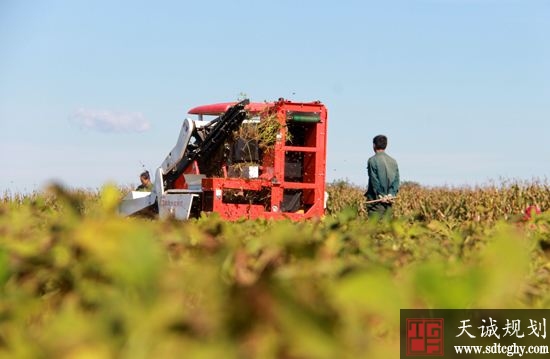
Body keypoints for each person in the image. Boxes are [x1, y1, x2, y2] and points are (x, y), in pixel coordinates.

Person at [365, 135, 400, 219]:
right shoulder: (393, 161)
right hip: (389, 201)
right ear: (386, 145)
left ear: (374, 145)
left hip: (376, 202)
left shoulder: (372, 160)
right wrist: (391, 194)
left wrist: (381, 195)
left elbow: (374, 180)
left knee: (374, 228)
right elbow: (396, 180)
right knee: (386, 229)